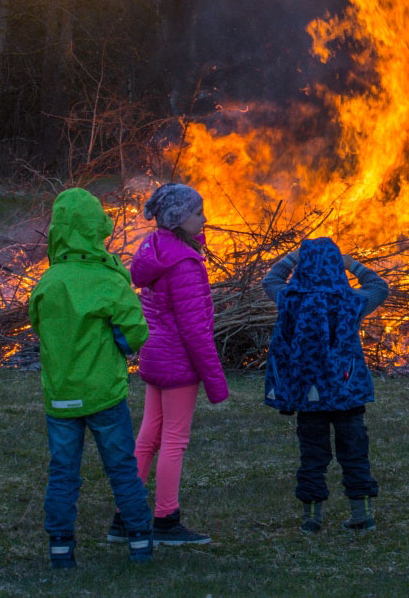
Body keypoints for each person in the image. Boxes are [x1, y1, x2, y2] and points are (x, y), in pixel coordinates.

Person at [27, 187, 155, 568]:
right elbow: (136, 331)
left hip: (61, 396)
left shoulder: (48, 283)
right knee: (122, 469)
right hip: (104, 395)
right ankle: (140, 542)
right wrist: (118, 341)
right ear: (96, 227)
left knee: (63, 472)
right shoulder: (107, 279)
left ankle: (61, 548)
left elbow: (38, 326)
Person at [120, 182, 229, 547]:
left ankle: (125, 515)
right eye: (198, 212)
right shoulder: (184, 264)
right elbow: (197, 331)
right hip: (178, 363)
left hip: (155, 356)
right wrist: (215, 382)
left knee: (149, 433)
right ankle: (166, 518)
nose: (204, 218)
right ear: (179, 219)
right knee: (173, 440)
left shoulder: (154, 249)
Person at [262, 237, 389, 533]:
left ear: (302, 266)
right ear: (337, 268)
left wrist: (293, 257)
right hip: (348, 393)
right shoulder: (351, 301)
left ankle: (311, 519)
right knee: (354, 451)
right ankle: (362, 514)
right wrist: (352, 263)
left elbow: (270, 280)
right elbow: (380, 287)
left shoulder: (290, 299)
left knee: (312, 454)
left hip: (310, 395)